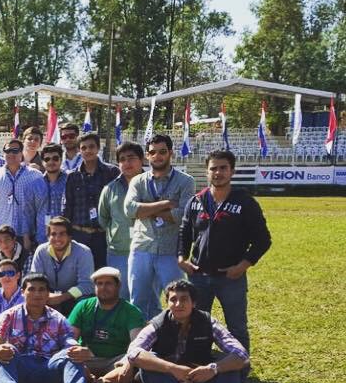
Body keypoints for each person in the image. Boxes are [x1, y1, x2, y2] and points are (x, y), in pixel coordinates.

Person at [127, 278, 250, 383]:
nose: (178, 304)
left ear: (194, 303)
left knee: (229, 364)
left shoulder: (208, 322)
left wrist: (212, 369)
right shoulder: (156, 325)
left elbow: (241, 354)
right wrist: (171, 368)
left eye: (184, 299)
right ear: (167, 303)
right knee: (149, 361)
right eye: (173, 299)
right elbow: (133, 353)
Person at [177, 149, 271, 354]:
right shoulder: (196, 201)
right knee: (195, 324)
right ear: (207, 172)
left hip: (231, 277)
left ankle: (240, 365)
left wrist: (242, 266)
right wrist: (181, 258)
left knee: (236, 327)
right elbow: (184, 232)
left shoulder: (245, 202)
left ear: (232, 171)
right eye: (213, 169)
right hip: (198, 276)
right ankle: (197, 361)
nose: (218, 173)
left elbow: (263, 240)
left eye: (223, 168)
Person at [0, 272, 94, 383]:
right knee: (5, 351)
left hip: (48, 371)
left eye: (42, 289)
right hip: (21, 372)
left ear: (48, 294)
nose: (37, 294)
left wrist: (79, 350)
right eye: (31, 289)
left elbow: (70, 341)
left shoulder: (59, 319)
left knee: (72, 353)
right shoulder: (8, 316)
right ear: (22, 292)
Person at [123, 133, 196, 319]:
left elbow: (183, 215)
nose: (157, 156)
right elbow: (130, 210)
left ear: (171, 153)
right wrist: (165, 204)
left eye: (162, 152)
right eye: (153, 152)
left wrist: (145, 209)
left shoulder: (186, 181)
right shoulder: (138, 181)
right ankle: (141, 336)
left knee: (178, 300)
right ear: (147, 156)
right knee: (138, 301)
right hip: (141, 248)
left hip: (171, 250)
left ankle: (177, 335)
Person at [66, 266, 145, 383]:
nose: (103, 287)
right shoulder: (83, 306)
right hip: (87, 359)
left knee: (134, 363)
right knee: (66, 359)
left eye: (108, 283)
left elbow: (137, 344)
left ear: (118, 286)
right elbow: (69, 338)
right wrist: (76, 349)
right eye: (99, 284)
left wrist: (127, 361)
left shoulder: (131, 311)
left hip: (116, 360)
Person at [61, 132, 120, 270]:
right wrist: (66, 234)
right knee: (81, 274)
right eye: (84, 148)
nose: (88, 150)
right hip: (79, 235)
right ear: (79, 150)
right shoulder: (73, 176)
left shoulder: (112, 172)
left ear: (98, 148)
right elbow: (67, 207)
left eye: (92, 146)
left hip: (104, 235)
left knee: (104, 273)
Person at [97, 141, 145, 302]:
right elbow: (103, 219)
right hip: (118, 251)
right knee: (120, 296)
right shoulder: (110, 189)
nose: (127, 163)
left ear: (142, 160)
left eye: (131, 158)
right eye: (122, 159)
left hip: (148, 251)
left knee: (144, 297)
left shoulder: (153, 185)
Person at [0, 138, 46, 253]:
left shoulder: (35, 176)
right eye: (8, 151)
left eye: (15, 150)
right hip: (1, 236)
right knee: (3, 264)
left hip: (26, 235)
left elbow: (42, 208)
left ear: (21, 153)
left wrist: (40, 236)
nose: (11, 153)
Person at [30, 216, 95, 317]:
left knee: (86, 302)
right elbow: (35, 280)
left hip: (73, 297)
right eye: (53, 234)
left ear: (70, 236)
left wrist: (62, 297)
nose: (57, 238)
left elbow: (87, 285)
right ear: (48, 237)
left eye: (62, 234)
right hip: (48, 296)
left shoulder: (83, 252)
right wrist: (46, 295)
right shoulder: (41, 251)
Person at [37, 142, 68, 238]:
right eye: (47, 159)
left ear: (61, 159)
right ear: (42, 162)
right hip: (42, 235)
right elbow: (30, 211)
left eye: (55, 158)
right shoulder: (36, 183)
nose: (51, 162)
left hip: (65, 235)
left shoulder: (70, 180)